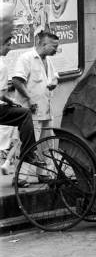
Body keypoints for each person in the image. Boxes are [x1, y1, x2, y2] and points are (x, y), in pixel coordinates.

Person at [12, 31, 59, 172]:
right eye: (54, 46)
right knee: (28, 143)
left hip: (46, 109)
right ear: (44, 44)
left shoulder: (48, 60)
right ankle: (21, 176)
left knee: (47, 144)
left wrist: (55, 82)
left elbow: (55, 76)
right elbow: (17, 81)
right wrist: (30, 98)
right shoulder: (26, 58)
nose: (56, 50)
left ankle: (44, 173)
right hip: (30, 110)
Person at [0, 36, 39, 185]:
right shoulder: (2, 66)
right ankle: (29, 153)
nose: (10, 48)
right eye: (7, 45)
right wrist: (13, 101)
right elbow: (1, 94)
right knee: (24, 113)